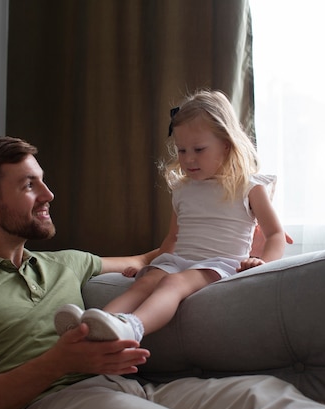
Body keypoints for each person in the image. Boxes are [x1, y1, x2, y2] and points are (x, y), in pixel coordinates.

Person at [0, 135, 325, 409]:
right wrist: (60, 362)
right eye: (29, 186)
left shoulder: (67, 262)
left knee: (268, 398)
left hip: (133, 388)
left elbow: (157, 255)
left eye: (42, 181)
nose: (49, 194)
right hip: (54, 404)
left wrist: (249, 232)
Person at [55, 90, 287, 343]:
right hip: (180, 261)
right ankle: (92, 324)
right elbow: (173, 238)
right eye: (181, 150)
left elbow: (275, 233)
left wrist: (263, 263)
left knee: (173, 284)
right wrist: (150, 264)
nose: (188, 159)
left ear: (226, 144)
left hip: (219, 265)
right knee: (146, 282)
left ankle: (132, 326)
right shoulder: (183, 189)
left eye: (199, 149)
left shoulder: (250, 186)